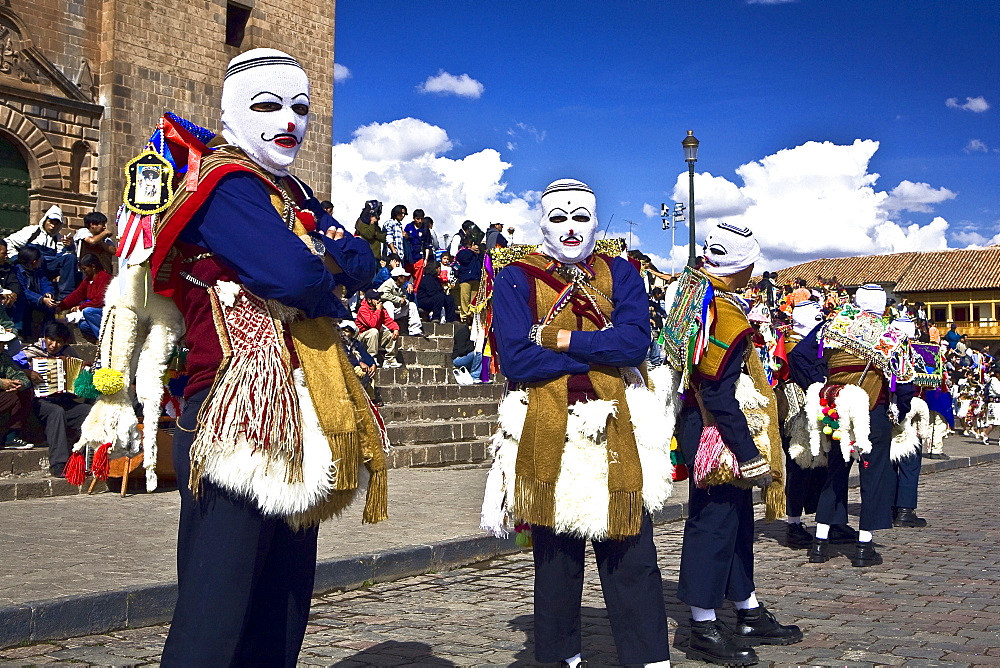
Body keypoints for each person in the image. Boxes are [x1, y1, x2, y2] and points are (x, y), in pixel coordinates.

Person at [139, 49, 384, 666]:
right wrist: (321, 261)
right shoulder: (223, 187)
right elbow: (298, 274)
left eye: (301, 107)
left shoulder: (290, 193)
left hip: (297, 410)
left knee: (281, 602)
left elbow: (365, 263)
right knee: (217, 606)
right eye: (269, 105)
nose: (290, 120)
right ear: (230, 113)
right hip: (230, 412)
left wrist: (317, 261)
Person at [484, 178, 672, 668]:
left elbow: (636, 344)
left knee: (631, 553)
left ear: (596, 220)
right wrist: (599, 355)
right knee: (555, 562)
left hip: (618, 427)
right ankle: (559, 657)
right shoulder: (516, 279)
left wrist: (562, 341)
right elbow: (517, 360)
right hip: (548, 427)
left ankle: (648, 660)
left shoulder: (622, 274)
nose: (571, 228)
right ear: (542, 224)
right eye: (560, 218)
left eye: (582, 217)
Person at [671, 223, 802, 665]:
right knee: (713, 524)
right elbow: (717, 391)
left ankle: (745, 607)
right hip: (716, 429)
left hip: (701, 421)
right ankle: (703, 624)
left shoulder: (693, 292)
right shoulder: (725, 314)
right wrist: (748, 454)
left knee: (736, 521)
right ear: (742, 266)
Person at [808, 284, 916, 568]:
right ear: (882, 306)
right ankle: (864, 546)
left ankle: (819, 543)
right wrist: (900, 411)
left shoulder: (832, 326)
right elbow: (905, 382)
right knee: (873, 475)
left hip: (836, 410)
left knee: (835, 472)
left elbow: (805, 358)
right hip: (872, 412)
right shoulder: (892, 336)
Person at [780, 300, 828, 549]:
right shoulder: (793, 346)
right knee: (798, 466)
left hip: (811, 409)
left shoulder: (809, 343)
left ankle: (815, 515)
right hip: (796, 413)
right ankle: (793, 522)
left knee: (815, 466)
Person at [14, 322, 89, 477]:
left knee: (88, 412)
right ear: (45, 337)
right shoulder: (30, 352)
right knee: (56, 412)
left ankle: (88, 460)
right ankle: (58, 464)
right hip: (39, 402)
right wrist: (27, 372)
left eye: (59, 341)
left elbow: (77, 386)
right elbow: (12, 368)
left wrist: (83, 374)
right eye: (51, 340)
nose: (54, 345)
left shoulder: (69, 353)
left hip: (65, 401)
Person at [5, 205, 78, 300]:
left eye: (56, 224)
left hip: (48, 267)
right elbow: (8, 242)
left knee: (70, 258)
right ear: (45, 221)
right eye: (50, 222)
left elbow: (64, 259)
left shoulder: (60, 239)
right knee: (39, 257)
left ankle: (65, 296)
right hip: (31, 267)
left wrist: (69, 247)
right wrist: (15, 258)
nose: (53, 226)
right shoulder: (32, 231)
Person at [58, 254, 111, 342]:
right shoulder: (88, 281)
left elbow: (100, 301)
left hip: (104, 312)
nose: (83, 271)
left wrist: (81, 307)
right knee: (83, 325)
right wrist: (61, 306)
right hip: (97, 314)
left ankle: (103, 340)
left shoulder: (104, 278)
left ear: (93, 267)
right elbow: (77, 295)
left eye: (85, 269)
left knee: (88, 311)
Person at [11, 246, 57, 340]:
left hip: (37, 299)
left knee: (50, 308)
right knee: (22, 300)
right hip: (24, 299)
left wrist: (48, 293)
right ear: (34, 261)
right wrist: (41, 299)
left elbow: (45, 283)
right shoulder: (17, 271)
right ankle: (19, 331)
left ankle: (48, 334)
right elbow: (23, 291)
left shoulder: (38, 270)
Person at [0, 341, 34, 449]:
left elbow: (17, 372)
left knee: (25, 392)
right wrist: (1, 383)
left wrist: (19, 383)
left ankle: (12, 437)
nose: (1, 346)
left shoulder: (3, 356)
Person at [356, 289, 400, 367]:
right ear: (369, 300)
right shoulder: (363, 309)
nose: (379, 300)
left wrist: (395, 329)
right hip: (362, 339)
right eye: (376, 298)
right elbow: (372, 324)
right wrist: (378, 310)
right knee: (374, 331)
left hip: (375, 338)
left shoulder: (381, 309)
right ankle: (371, 358)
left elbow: (388, 320)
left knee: (390, 334)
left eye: (379, 297)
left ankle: (390, 359)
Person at [378, 266, 423, 336]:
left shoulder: (401, 286)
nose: (405, 279)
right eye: (404, 277)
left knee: (412, 305)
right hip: (385, 311)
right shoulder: (388, 283)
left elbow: (404, 297)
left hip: (396, 310)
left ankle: (415, 330)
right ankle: (389, 329)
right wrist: (398, 300)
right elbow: (383, 295)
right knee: (388, 304)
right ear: (399, 277)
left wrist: (404, 302)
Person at [416, 258, 457, 323]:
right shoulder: (427, 278)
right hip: (424, 300)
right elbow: (431, 292)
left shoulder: (436, 279)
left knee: (449, 298)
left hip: (435, 298)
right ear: (436, 269)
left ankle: (451, 319)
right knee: (439, 298)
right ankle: (435, 318)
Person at [403, 208, 432, 292]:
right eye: (418, 219)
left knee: (418, 281)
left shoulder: (425, 229)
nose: (419, 221)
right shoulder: (409, 227)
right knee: (405, 278)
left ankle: (415, 297)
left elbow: (427, 245)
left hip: (419, 258)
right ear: (414, 218)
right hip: (408, 258)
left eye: (421, 219)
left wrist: (426, 259)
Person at [455, 240, 483, 322]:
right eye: (476, 245)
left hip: (476, 278)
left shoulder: (477, 254)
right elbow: (464, 260)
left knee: (474, 299)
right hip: (465, 278)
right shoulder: (463, 252)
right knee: (465, 299)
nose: (477, 247)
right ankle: (464, 316)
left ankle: (472, 315)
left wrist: (479, 253)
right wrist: (471, 251)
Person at [0, 239, 22, 330]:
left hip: (5, 300)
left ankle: (16, 329)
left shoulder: (7, 268)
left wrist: (14, 294)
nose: (7, 256)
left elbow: (14, 283)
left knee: (21, 297)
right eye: (3, 253)